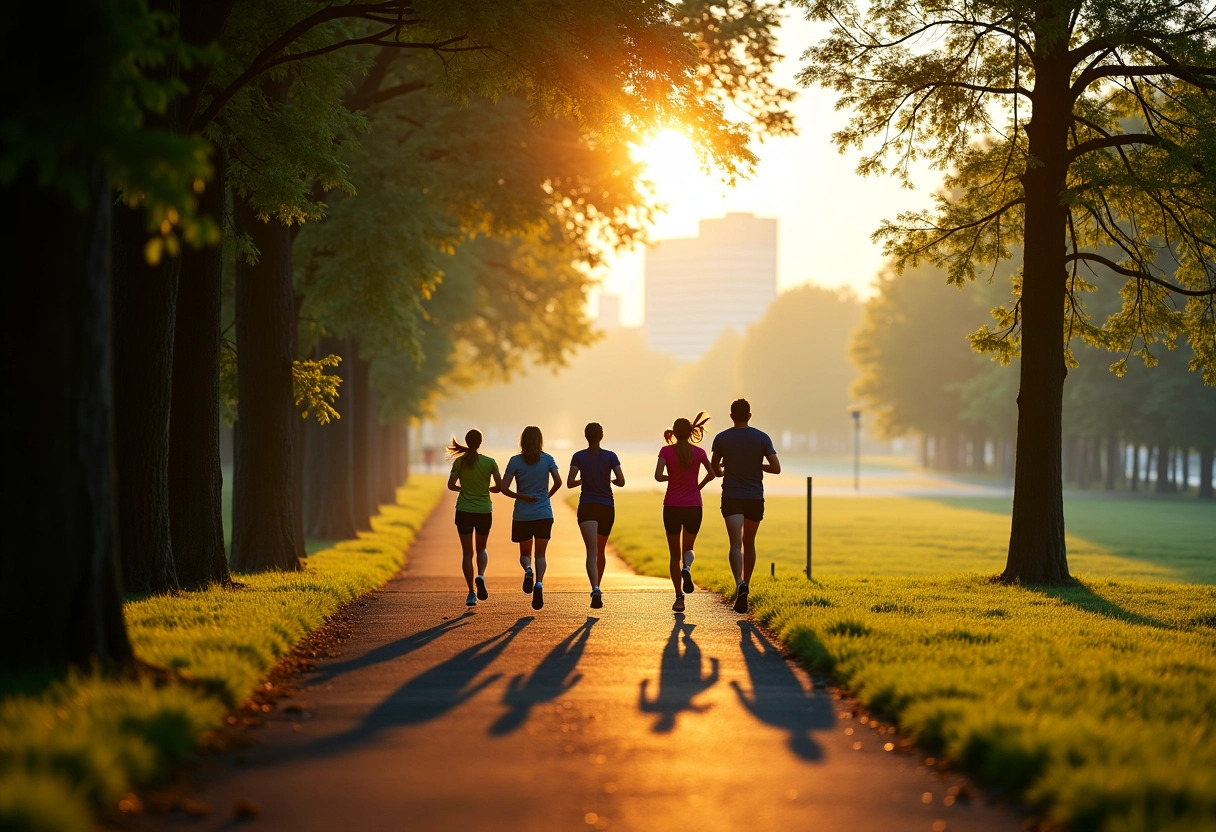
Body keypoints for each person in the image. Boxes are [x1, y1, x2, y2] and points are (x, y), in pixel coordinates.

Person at [710, 398, 780, 613]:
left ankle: (738, 583)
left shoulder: (722, 438)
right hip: (754, 497)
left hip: (732, 495)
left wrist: (724, 469)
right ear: (750, 415)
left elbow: (715, 469)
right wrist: (756, 463)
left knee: (734, 544)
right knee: (749, 542)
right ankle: (746, 584)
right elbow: (776, 468)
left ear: (731, 416)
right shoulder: (762, 438)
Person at [654, 412, 714, 612]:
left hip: (671, 505)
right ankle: (687, 569)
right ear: (690, 433)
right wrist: (699, 486)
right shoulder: (699, 452)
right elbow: (712, 473)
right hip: (693, 506)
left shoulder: (665, 451)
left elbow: (657, 475)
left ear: (674, 432)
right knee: (688, 549)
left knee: (673, 555)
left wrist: (670, 478)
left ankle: (679, 597)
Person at [501, 425, 562, 610]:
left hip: (523, 514)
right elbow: (559, 482)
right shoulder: (548, 459)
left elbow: (504, 488)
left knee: (525, 554)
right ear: (540, 440)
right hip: (544, 513)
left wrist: (523, 497)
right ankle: (539, 584)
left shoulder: (515, 461)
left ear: (522, 440)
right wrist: (547, 496)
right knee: (541, 555)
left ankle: (528, 570)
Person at [568, 422, 624, 609]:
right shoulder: (610, 456)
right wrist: (608, 479)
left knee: (591, 551)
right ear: (602, 436)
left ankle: (595, 588)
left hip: (587, 506)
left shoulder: (578, 456)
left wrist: (585, 478)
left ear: (586, 436)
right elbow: (622, 481)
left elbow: (569, 482)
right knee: (600, 550)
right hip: (606, 506)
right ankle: (598, 586)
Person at [446, 430, 502, 607]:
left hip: (464, 510)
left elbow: (451, 485)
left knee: (467, 553)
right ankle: (481, 575)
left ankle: (471, 592)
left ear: (467, 442)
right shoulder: (490, 462)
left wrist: (464, 490)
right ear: (480, 442)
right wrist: (488, 490)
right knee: (482, 549)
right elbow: (499, 486)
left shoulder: (459, 462)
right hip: (484, 511)